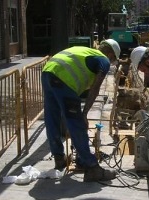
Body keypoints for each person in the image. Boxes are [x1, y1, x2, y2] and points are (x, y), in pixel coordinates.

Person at [41, 39, 121, 182]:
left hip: (48, 71)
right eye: (113, 59)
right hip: (62, 77)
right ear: (110, 54)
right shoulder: (103, 60)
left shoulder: (86, 52)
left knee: (52, 117)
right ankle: (91, 167)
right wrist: (83, 115)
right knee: (76, 122)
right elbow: (95, 89)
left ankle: (59, 158)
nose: (111, 63)